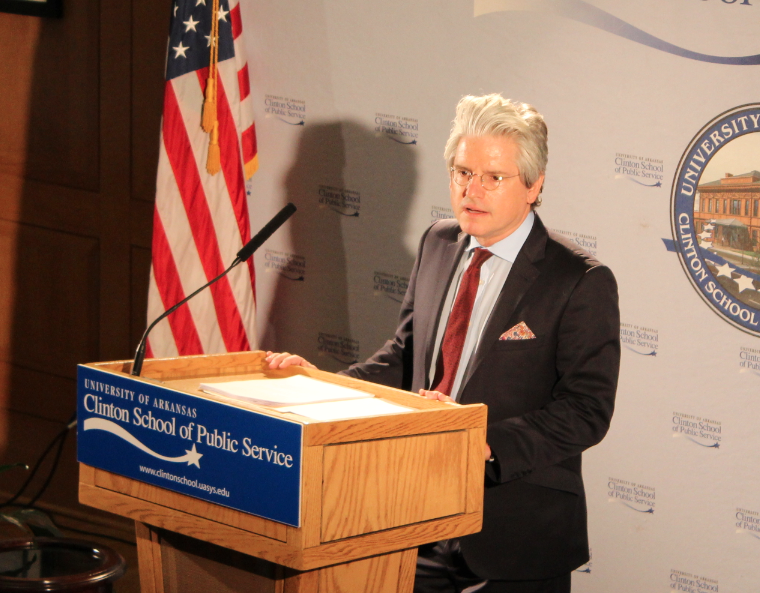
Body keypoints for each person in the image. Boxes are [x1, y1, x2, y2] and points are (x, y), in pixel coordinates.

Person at [266, 93, 620, 593]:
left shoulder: (579, 280)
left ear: (534, 185)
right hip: (414, 521)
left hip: (514, 536)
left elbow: (587, 409)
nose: (472, 190)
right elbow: (404, 357)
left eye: (494, 177)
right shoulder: (438, 242)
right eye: (462, 172)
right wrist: (319, 386)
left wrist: (476, 438)